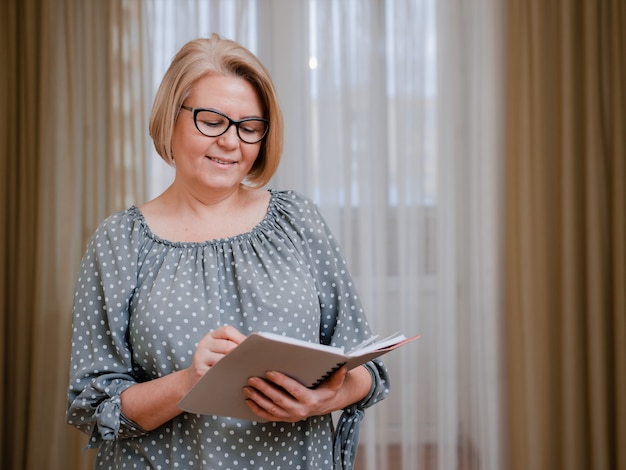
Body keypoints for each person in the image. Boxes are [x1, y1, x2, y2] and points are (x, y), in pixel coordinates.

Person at [66, 34, 390, 470]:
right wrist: (190, 382)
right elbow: (94, 406)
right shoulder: (119, 242)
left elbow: (368, 370)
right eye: (212, 120)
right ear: (170, 117)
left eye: (249, 127)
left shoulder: (297, 220)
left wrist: (324, 399)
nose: (231, 142)